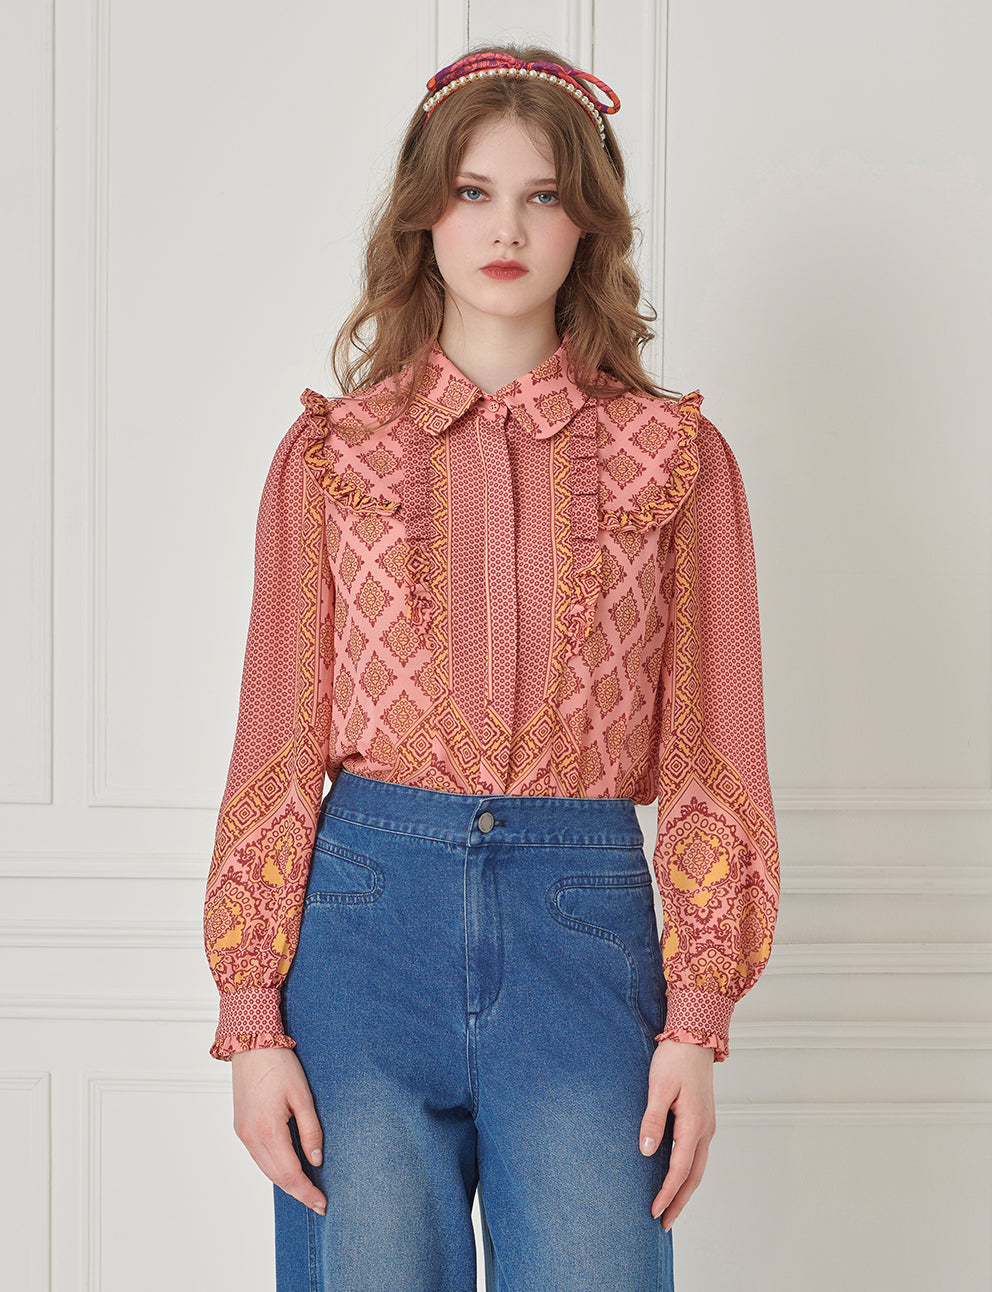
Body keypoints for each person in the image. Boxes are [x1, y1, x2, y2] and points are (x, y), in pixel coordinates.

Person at [202, 41, 779, 1292]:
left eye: (542, 195)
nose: (505, 227)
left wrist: (695, 1020)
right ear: (424, 215)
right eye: (472, 192)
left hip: (583, 932)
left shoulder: (676, 458)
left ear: (589, 223)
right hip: (361, 929)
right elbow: (275, 740)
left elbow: (711, 752)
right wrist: (251, 1017)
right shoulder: (332, 455)